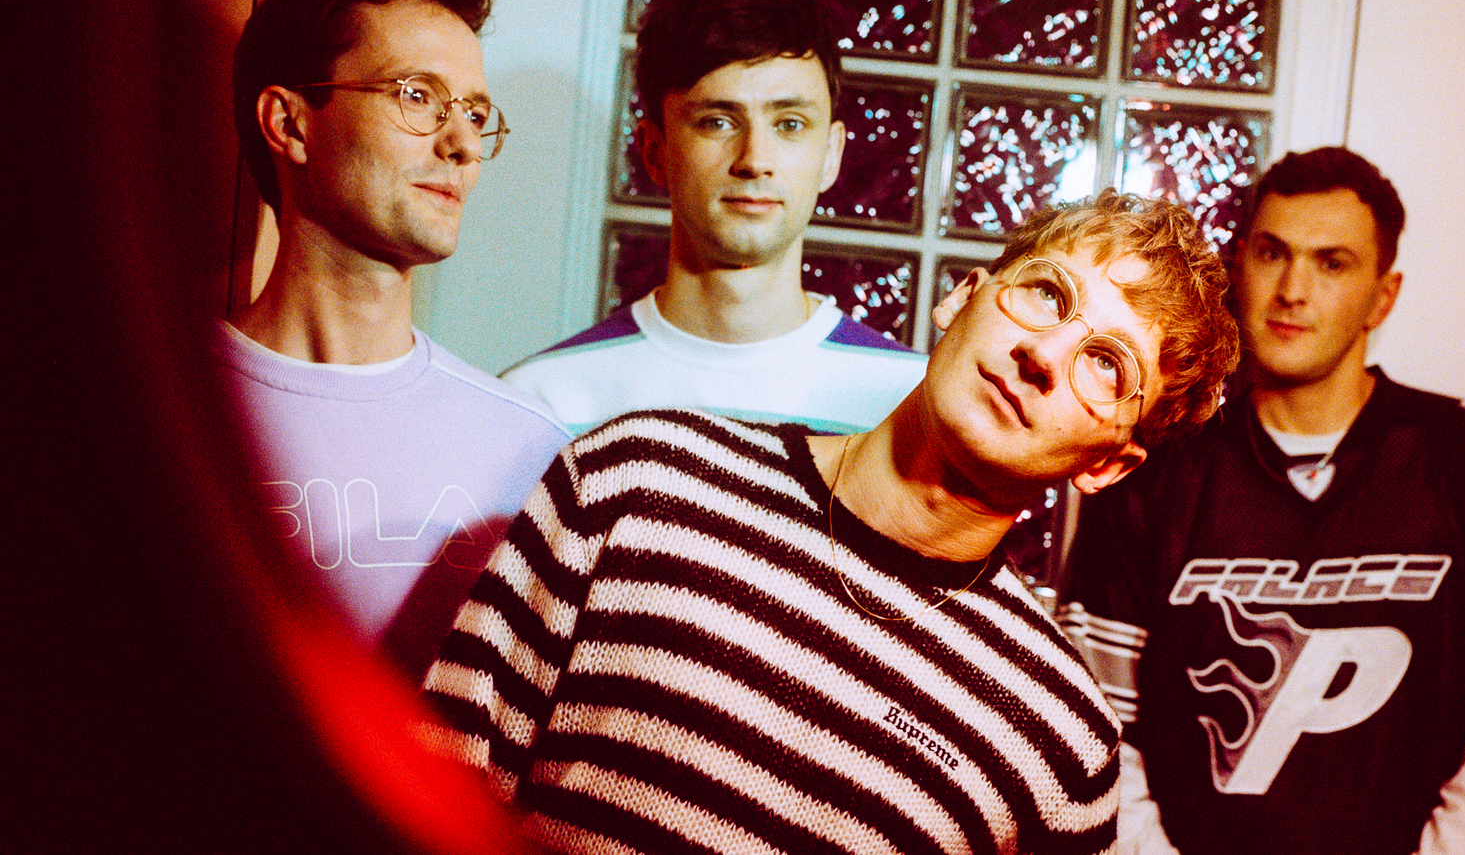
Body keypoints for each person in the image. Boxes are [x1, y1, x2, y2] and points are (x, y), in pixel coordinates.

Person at [419, 191, 1240, 854]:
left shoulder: (1058, 737)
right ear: (961, 297)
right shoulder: (635, 478)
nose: (1045, 354)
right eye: (1046, 294)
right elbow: (430, 789)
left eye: (1106, 364)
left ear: (1108, 465)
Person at [1056, 148, 1465, 855]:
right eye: (1271, 253)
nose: (1292, 289)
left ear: (1382, 296)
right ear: (1238, 268)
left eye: (1331, 263)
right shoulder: (1149, 468)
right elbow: (1095, 723)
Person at [219, 0, 571, 681]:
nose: (462, 144)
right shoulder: (161, 407)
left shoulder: (532, 451)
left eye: (475, 113)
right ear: (290, 123)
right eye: (417, 95)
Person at [500, 0, 925, 436]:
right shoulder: (541, 405)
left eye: (790, 124)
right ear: (654, 152)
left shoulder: (915, 406)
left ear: (831, 155)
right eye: (717, 122)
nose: (754, 160)